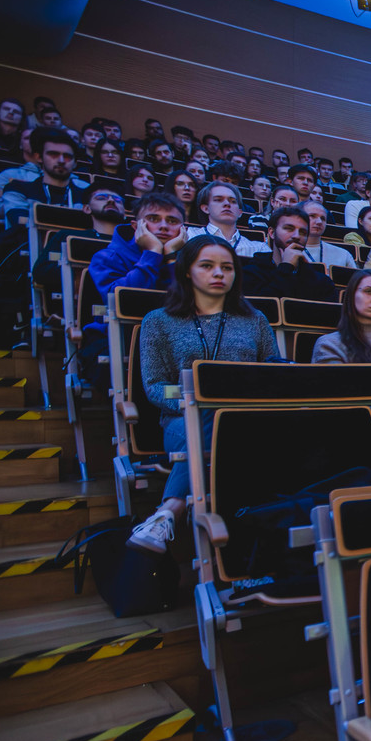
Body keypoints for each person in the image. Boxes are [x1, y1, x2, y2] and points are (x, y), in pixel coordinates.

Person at [128, 235, 279, 553]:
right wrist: (195, 398)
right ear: (187, 271)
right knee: (211, 413)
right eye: (207, 266)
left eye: (227, 267)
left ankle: (169, 510)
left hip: (248, 419)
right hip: (182, 421)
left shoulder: (255, 320)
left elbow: (273, 373)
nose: (219, 273)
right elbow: (155, 384)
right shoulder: (159, 321)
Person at [88, 191, 184, 300]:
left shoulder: (193, 258)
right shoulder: (106, 257)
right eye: (153, 219)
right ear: (135, 226)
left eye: (172, 221)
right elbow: (121, 300)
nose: (164, 226)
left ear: (183, 229)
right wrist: (153, 252)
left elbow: (188, 302)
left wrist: (171, 256)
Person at [241, 206, 337, 301]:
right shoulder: (251, 273)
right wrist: (286, 267)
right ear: (272, 232)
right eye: (289, 229)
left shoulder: (321, 282)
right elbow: (262, 307)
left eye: (303, 232)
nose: (297, 236)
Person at [300, 200, 357, 268]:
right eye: (312, 216)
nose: (319, 222)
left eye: (323, 218)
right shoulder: (289, 251)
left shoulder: (343, 255)